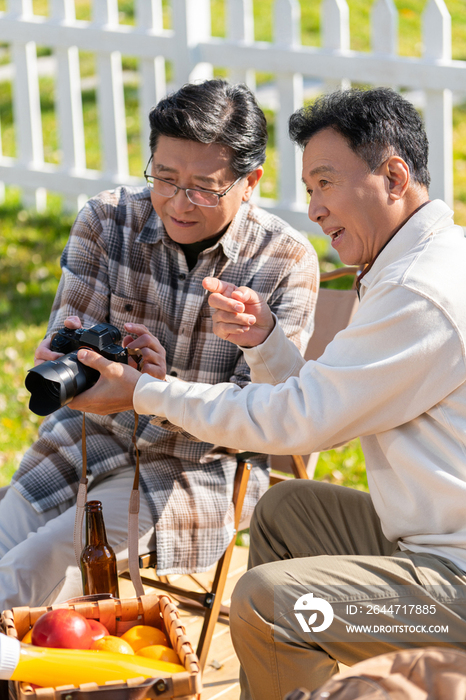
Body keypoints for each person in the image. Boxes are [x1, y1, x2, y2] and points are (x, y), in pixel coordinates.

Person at [68, 86, 466, 699]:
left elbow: (299, 423)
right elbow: (323, 403)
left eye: (326, 183)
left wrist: (146, 392)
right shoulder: (411, 262)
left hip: (456, 587)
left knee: (272, 602)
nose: (314, 208)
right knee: (288, 512)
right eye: (308, 188)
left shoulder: (420, 292)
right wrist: (266, 342)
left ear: (393, 176)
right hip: (426, 544)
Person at [0, 78, 319, 611]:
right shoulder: (108, 220)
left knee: (34, 570)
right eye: (164, 178)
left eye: (204, 187)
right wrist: (68, 362)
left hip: (195, 470)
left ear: (250, 181)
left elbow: (265, 415)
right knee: (11, 552)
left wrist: (151, 392)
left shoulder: (282, 261)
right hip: (86, 438)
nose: (178, 202)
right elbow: (65, 341)